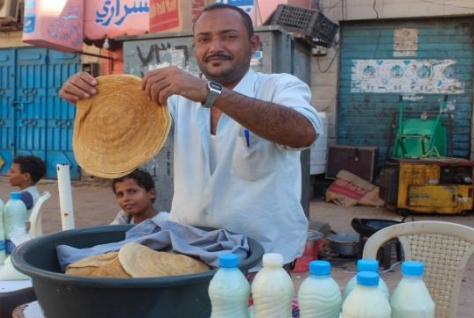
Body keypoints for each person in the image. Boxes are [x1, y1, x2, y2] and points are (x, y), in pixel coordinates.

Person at [59, 3, 323, 271]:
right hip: (191, 250)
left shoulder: (279, 86)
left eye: (229, 37)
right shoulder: (179, 99)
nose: (215, 47)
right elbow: (125, 127)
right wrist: (90, 96)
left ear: (253, 43)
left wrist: (211, 93)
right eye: (204, 39)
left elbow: (303, 133)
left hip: (264, 256)